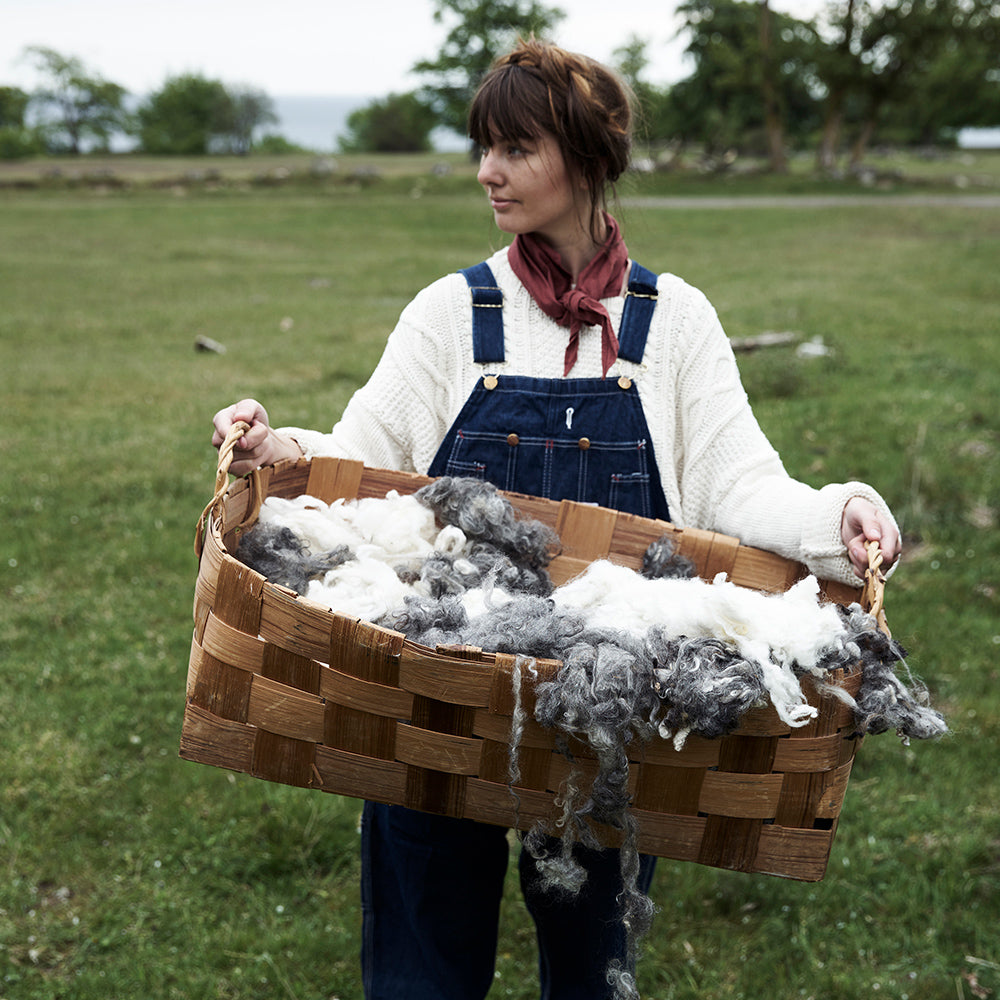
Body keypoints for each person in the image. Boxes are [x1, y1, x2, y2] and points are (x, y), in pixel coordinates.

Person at [212, 39, 900, 1000]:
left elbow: (739, 485)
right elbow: (360, 458)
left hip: (610, 707)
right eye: (482, 147)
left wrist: (843, 516)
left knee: (589, 970)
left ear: (588, 156)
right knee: (422, 966)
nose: (487, 172)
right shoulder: (453, 314)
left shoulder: (675, 324)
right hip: (435, 696)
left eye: (517, 148)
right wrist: (274, 447)